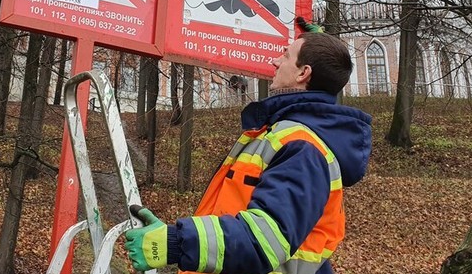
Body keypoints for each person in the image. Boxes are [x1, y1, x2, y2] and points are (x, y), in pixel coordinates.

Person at [124, 21, 372, 274]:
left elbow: (264, 241)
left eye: (285, 55)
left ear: (303, 73)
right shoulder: (283, 135)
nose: (275, 62)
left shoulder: (302, 147)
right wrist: (323, 49)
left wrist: (175, 242)